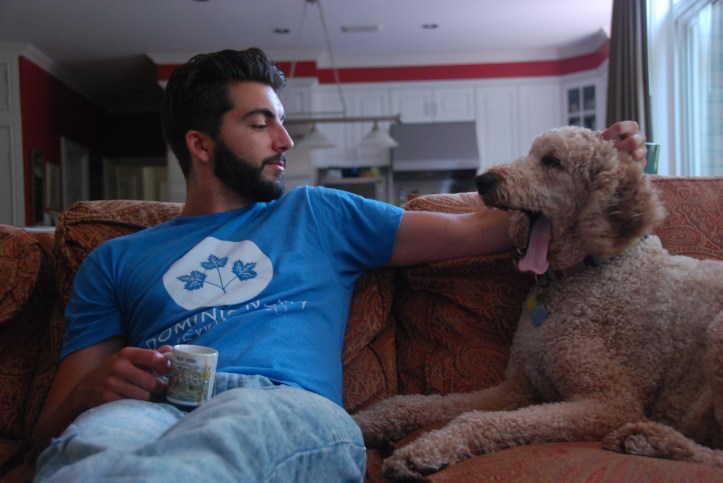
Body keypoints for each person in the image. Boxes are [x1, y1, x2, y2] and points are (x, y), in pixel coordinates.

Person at [32, 48, 647, 482]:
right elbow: (48, 431)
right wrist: (92, 390)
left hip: (282, 405)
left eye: (282, 122)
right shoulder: (114, 257)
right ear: (200, 144)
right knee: (85, 454)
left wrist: (600, 165)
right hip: (151, 405)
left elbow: (479, 227)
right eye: (261, 123)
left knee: (220, 447)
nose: (285, 141)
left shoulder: (318, 213)